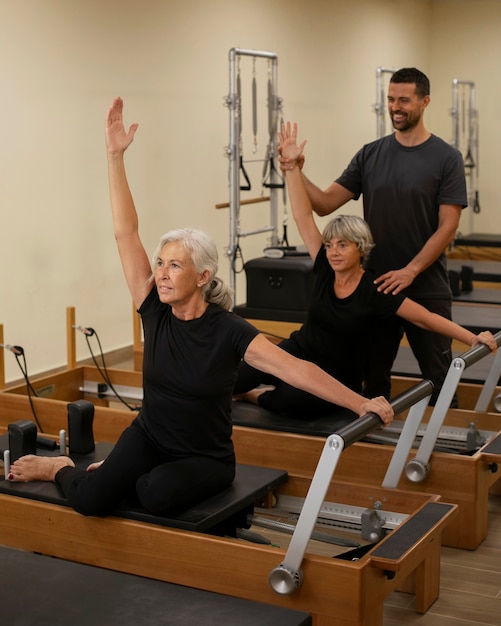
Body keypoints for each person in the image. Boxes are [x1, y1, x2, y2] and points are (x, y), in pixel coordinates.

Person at [7, 98, 394, 517]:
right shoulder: (154, 308)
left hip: (205, 459)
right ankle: (60, 467)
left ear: (203, 276)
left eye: (175, 265)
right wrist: (114, 156)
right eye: (160, 264)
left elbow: (296, 370)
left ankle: (116, 473)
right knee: (91, 500)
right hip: (149, 436)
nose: (163, 274)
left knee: (155, 495)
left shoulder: (228, 330)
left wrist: (361, 402)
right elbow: (125, 233)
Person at [233, 122, 496, 416]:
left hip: (336, 374)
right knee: (236, 376)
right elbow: (302, 215)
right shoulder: (324, 266)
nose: (333, 251)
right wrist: (292, 167)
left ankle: (253, 397)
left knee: (291, 401)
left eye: (343, 246)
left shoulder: (374, 290)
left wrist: (471, 337)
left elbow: (426, 319)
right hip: (299, 351)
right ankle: (239, 389)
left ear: (361, 249)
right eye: (330, 244)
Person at [281, 68, 467, 404]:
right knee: (373, 381)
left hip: (425, 287)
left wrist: (411, 270)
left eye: (404, 100)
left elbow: (448, 226)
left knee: (441, 380)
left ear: (424, 102)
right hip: (376, 289)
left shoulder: (446, 158)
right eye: (391, 99)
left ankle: (444, 449)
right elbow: (323, 204)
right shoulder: (371, 154)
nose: (395, 106)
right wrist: (296, 169)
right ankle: (374, 454)